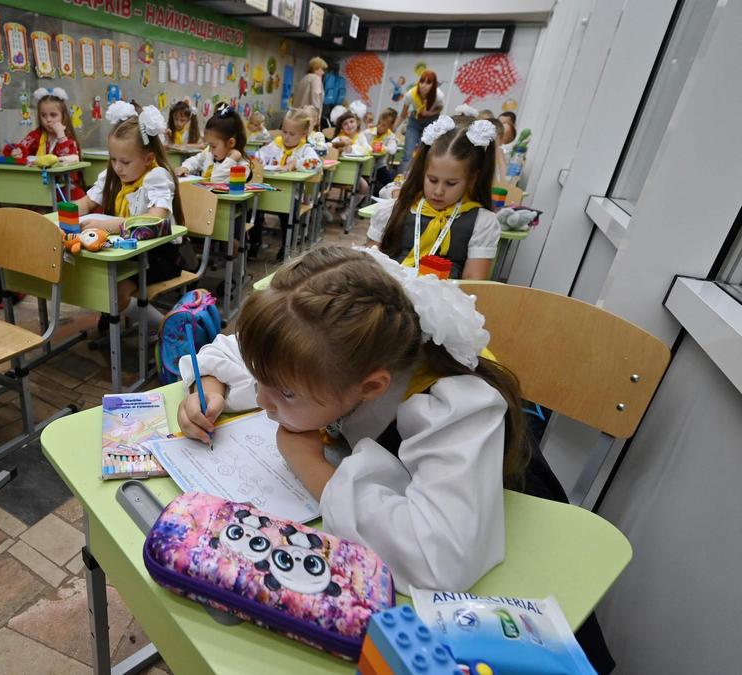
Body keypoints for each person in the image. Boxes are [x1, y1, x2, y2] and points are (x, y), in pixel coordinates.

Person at [175, 246, 616, 673]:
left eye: (284, 393)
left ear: (370, 387)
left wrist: (310, 464)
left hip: (512, 615)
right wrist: (209, 386)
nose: (263, 401)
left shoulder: (454, 410)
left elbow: (439, 556)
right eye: (260, 379)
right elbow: (244, 354)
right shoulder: (335, 351)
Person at [73, 102, 185, 331]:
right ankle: (116, 316)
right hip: (125, 253)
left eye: (125, 162)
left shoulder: (157, 177)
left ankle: (165, 326)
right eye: (113, 159)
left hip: (159, 256)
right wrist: (62, 216)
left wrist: (116, 225)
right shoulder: (112, 175)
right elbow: (86, 202)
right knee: (91, 279)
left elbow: (157, 219)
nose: (118, 167)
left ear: (147, 158)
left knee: (116, 292)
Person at [367, 116, 500, 280]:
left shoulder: (481, 223)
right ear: (423, 172)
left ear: (472, 178)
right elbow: (368, 267)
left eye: (451, 183)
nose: (438, 191)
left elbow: (473, 283)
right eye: (432, 180)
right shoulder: (392, 210)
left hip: (444, 303)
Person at [254, 107, 323, 261]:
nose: (286, 137)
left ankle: (287, 246)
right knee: (254, 207)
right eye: (284, 131)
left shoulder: (305, 149)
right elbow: (259, 154)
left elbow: (316, 164)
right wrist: (258, 159)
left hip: (293, 194)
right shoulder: (276, 144)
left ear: (303, 134)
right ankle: (255, 243)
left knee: (287, 214)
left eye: (292, 134)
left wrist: (296, 163)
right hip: (269, 190)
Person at [177, 103, 250, 182]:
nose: (210, 150)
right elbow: (195, 160)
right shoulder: (210, 154)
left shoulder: (242, 166)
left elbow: (216, 180)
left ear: (231, 143)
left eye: (214, 146)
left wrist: (231, 159)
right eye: (209, 145)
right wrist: (185, 167)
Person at [396, 70, 445, 173]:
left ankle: (419, 182)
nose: (424, 85)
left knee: (424, 154)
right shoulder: (411, 94)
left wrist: (429, 113)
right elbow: (403, 114)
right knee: (407, 154)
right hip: (415, 121)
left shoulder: (439, 95)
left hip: (431, 122)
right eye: (422, 81)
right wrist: (392, 128)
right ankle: (400, 183)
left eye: (428, 83)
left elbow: (440, 108)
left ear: (433, 84)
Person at [368, 107, 400, 195]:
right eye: (379, 123)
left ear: (389, 127)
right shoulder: (369, 132)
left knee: (390, 184)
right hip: (365, 165)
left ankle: (375, 196)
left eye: (384, 125)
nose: (379, 126)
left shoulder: (390, 136)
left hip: (379, 166)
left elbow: (393, 150)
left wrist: (382, 148)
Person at [291, 57, 327, 129]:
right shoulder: (316, 78)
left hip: (296, 117)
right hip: (308, 119)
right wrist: (316, 117)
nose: (323, 72)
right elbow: (315, 96)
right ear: (316, 68)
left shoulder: (304, 79)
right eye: (322, 69)